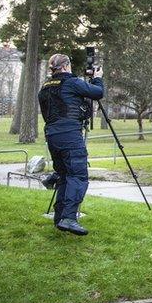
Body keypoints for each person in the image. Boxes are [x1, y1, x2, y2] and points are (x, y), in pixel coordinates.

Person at [37, 53, 104, 236]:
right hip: (69, 135)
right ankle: (69, 218)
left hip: (52, 135)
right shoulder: (72, 83)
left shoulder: (45, 87)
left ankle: (60, 218)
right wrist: (97, 79)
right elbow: (98, 93)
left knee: (65, 175)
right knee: (77, 175)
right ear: (65, 66)